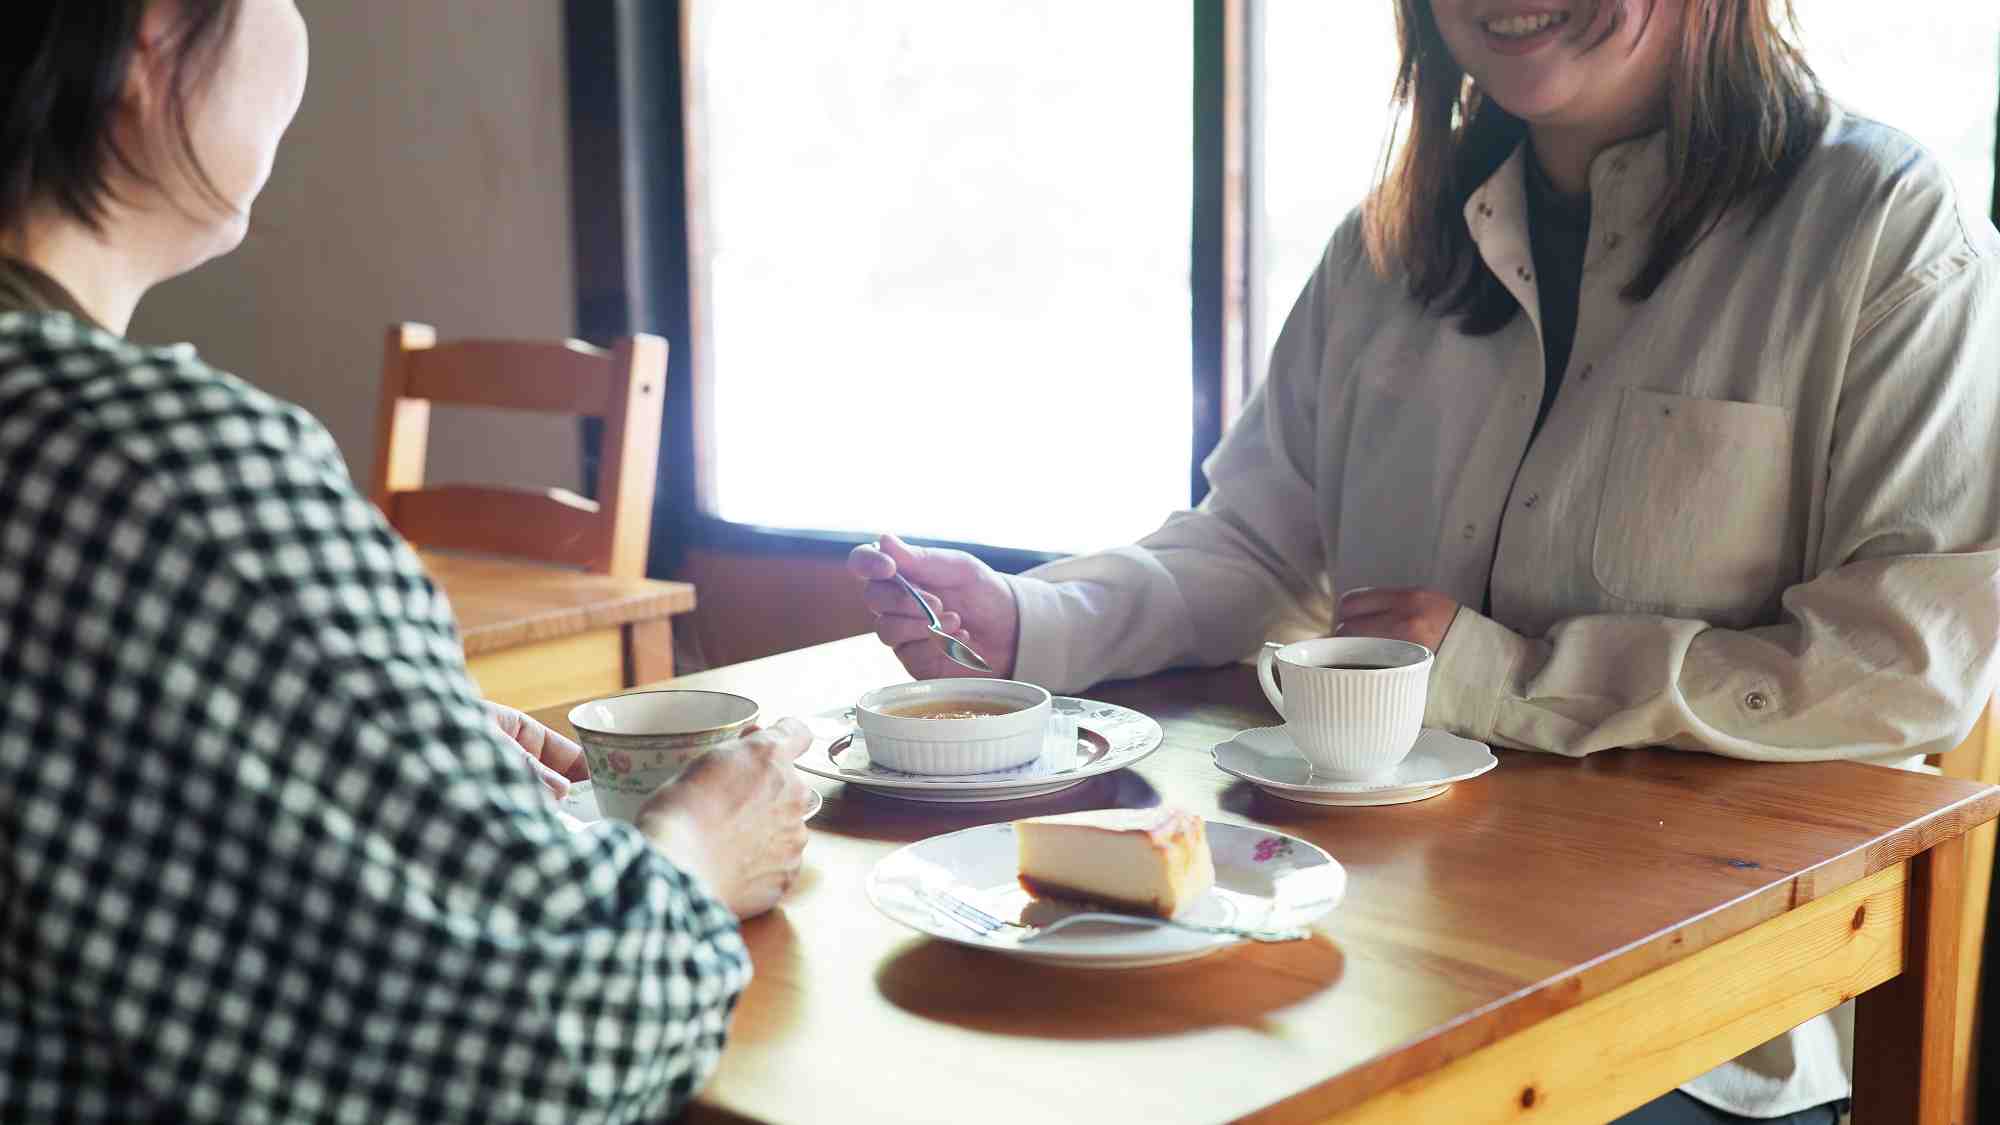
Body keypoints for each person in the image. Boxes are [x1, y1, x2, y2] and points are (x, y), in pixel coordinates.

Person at [853, 1, 2000, 1121]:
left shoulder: (1877, 220)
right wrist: (1033, 624)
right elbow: (1257, 542)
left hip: (1709, 1023)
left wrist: (1493, 677)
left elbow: (1903, 669)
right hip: (1370, 950)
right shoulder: (1385, 241)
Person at [0, 3, 813, 1120]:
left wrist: (359, 731)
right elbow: (546, 1042)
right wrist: (699, 852)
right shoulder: (152, 464)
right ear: (153, 38)